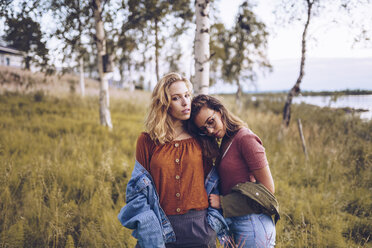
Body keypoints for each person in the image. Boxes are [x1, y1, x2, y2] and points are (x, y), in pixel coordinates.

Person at [118, 73, 228, 248]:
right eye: (176, 98)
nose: (185, 102)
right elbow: (137, 191)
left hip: (200, 230)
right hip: (158, 229)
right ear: (164, 104)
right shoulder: (147, 141)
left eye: (187, 95)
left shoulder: (202, 137)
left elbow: (216, 183)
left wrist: (211, 226)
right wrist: (150, 230)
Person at [189, 94, 279, 248]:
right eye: (204, 129)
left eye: (211, 122)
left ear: (220, 110)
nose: (210, 130)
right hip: (236, 220)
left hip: (253, 223)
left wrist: (223, 202)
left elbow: (268, 190)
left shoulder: (245, 139)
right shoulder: (226, 140)